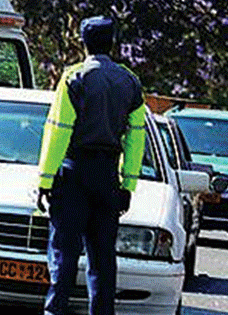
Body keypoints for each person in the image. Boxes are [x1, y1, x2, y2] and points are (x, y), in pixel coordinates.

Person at [36, 16, 146, 315]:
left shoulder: (74, 77)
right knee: (102, 259)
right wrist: (128, 185)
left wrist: (45, 181)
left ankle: (55, 311)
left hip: (73, 174)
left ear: (82, 42)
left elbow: (58, 130)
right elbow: (136, 138)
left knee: (63, 256)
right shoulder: (130, 82)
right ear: (112, 43)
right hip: (108, 177)